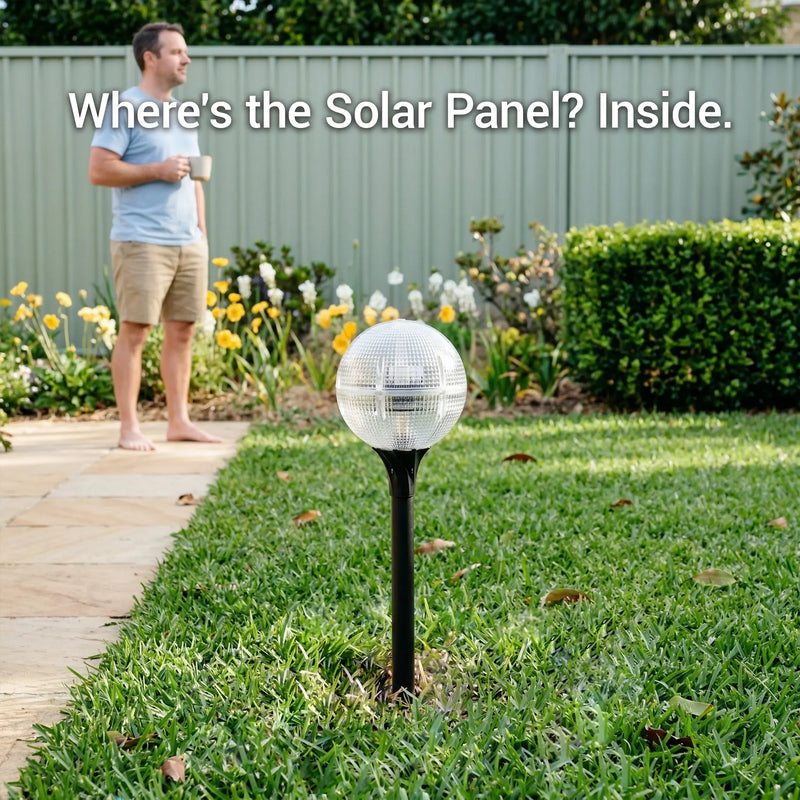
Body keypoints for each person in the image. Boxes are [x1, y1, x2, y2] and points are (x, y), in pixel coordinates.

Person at [89, 21, 221, 451]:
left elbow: (194, 177)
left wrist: (201, 232)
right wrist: (157, 171)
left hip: (187, 241)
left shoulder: (182, 113)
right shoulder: (123, 108)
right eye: (177, 52)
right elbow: (100, 169)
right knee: (136, 331)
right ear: (151, 58)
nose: (187, 59)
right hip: (141, 240)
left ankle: (178, 421)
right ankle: (129, 427)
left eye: (185, 53)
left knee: (181, 331)